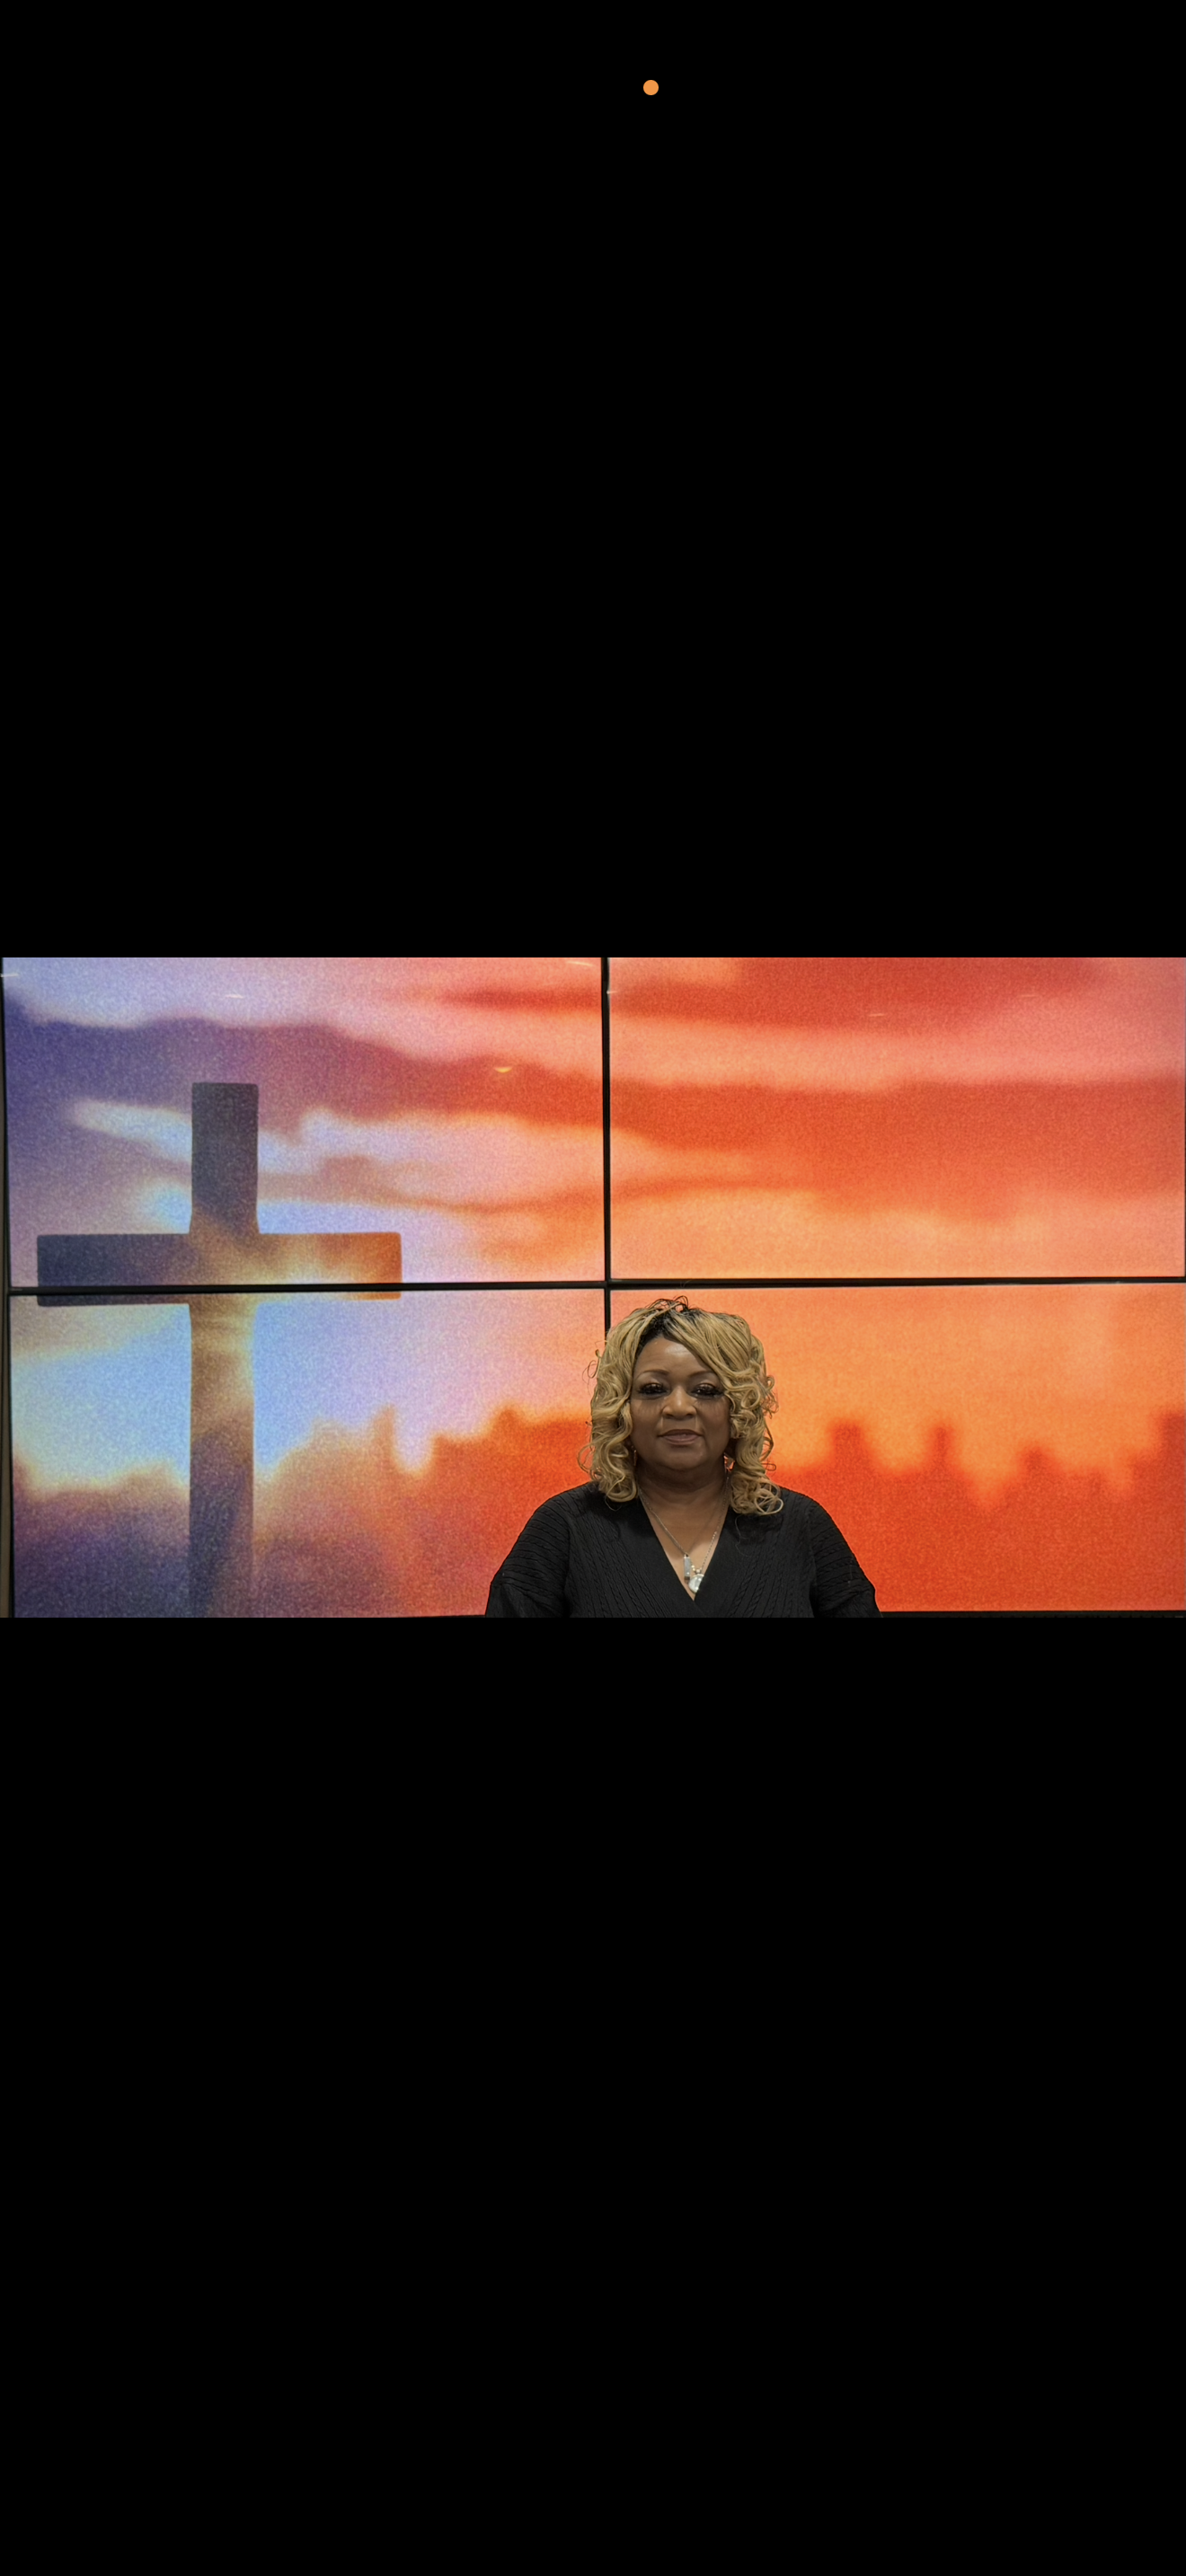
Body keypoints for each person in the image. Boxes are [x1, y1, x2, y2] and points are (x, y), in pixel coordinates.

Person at [484, 1296, 881, 1618]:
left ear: (738, 1409)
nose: (678, 1407)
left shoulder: (799, 1526)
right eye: (653, 1389)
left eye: (705, 1390)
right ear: (622, 1408)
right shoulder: (564, 1529)